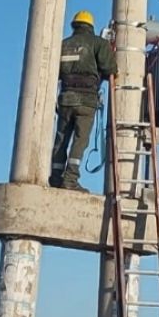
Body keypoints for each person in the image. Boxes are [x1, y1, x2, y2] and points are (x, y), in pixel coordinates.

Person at [50, 10, 117, 192]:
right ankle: (70, 179)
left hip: (66, 99)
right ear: (91, 27)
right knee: (80, 141)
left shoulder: (62, 45)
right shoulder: (98, 43)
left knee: (61, 138)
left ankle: (55, 178)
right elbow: (111, 69)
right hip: (86, 101)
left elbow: (52, 73)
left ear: (74, 26)